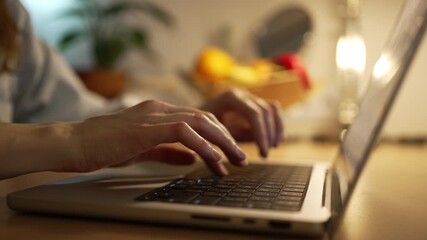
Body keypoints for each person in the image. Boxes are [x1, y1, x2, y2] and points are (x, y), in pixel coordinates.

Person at [0, 0, 283, 180]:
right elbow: (76, 133)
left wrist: (194, 116)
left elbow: (82, 116)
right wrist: (74, 139)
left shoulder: (10, 17)